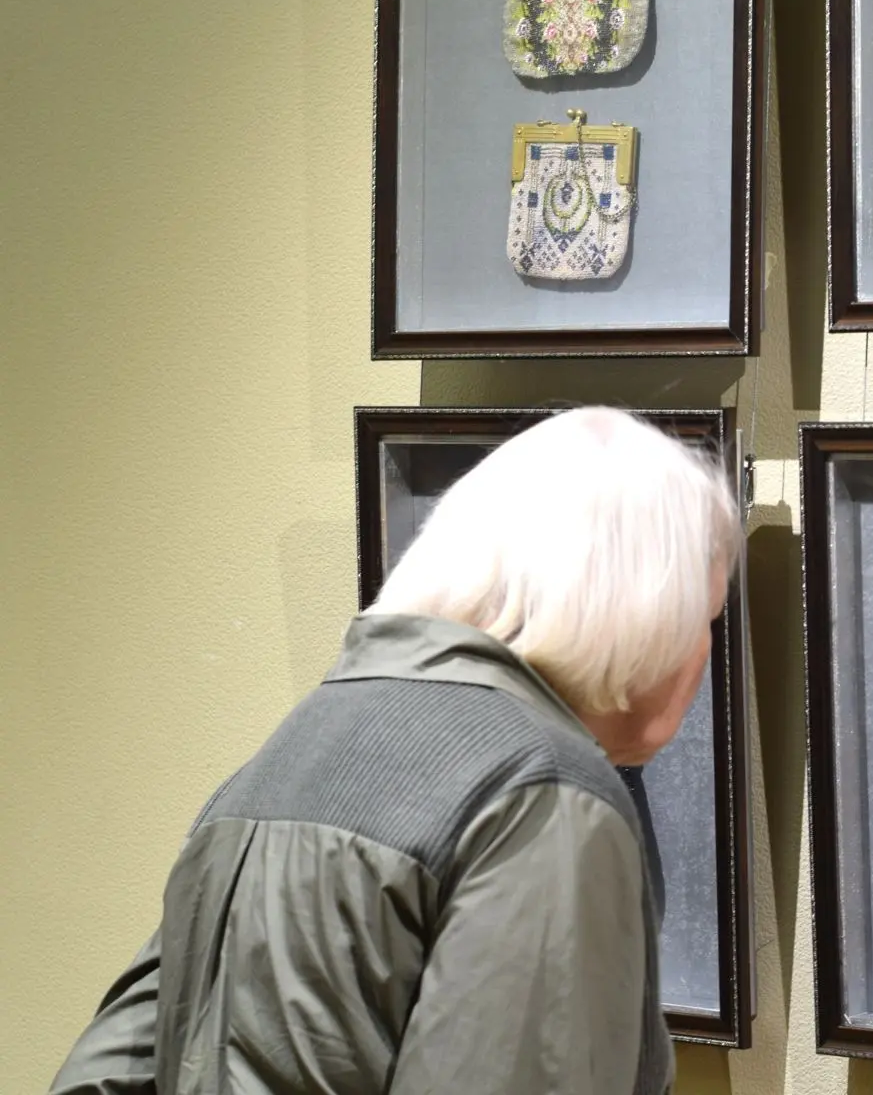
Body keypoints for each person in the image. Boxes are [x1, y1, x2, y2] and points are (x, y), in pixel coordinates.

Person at [50, 407, 738, 1095]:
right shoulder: (545, 792)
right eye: (704, 617)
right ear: (646, 611)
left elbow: (102, 1075)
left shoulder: (289, 750)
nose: (702, 652)